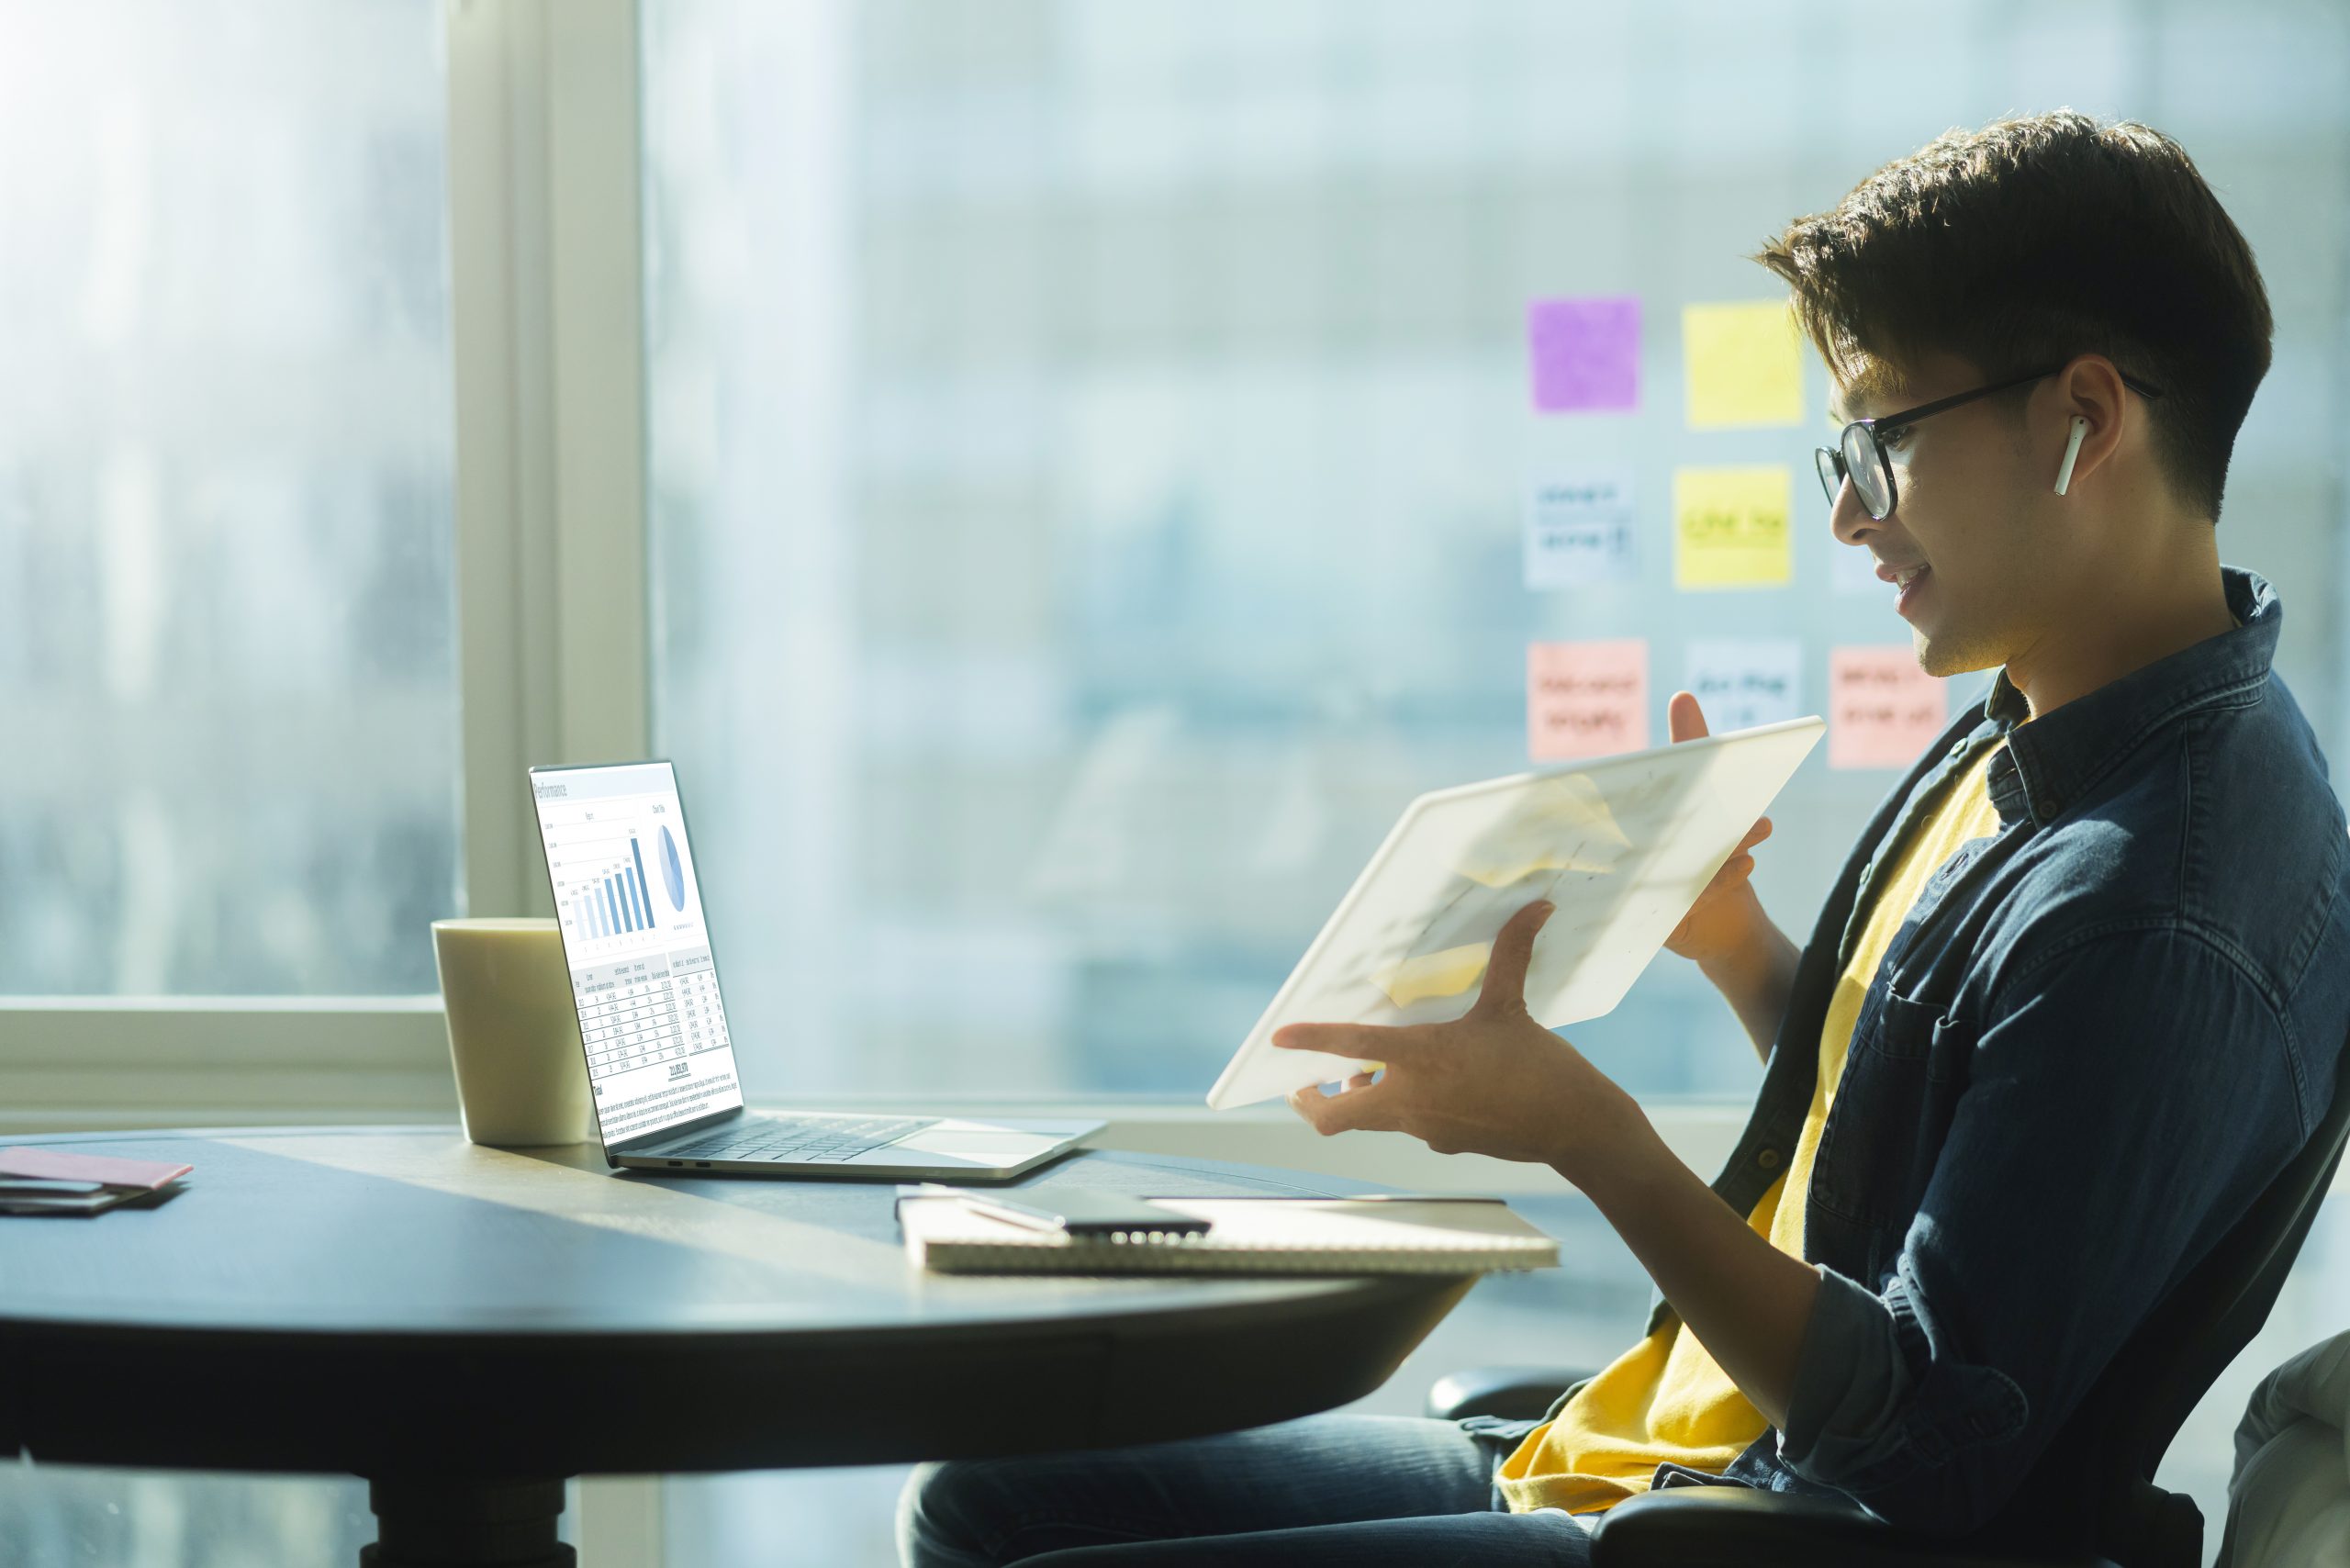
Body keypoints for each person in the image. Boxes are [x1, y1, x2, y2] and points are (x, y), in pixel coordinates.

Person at [897, 109, 2350, 1566]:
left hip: (1738, 1525)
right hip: (1639, 1449)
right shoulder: (2042, 708)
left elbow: (1926, 1439)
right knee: (980, 1503)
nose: (1848, 516)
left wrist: (1590, 1138)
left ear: (2083, 421)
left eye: (1882, 445)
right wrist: (1733, 943)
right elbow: (1939, 1108)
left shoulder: (2163, 903)